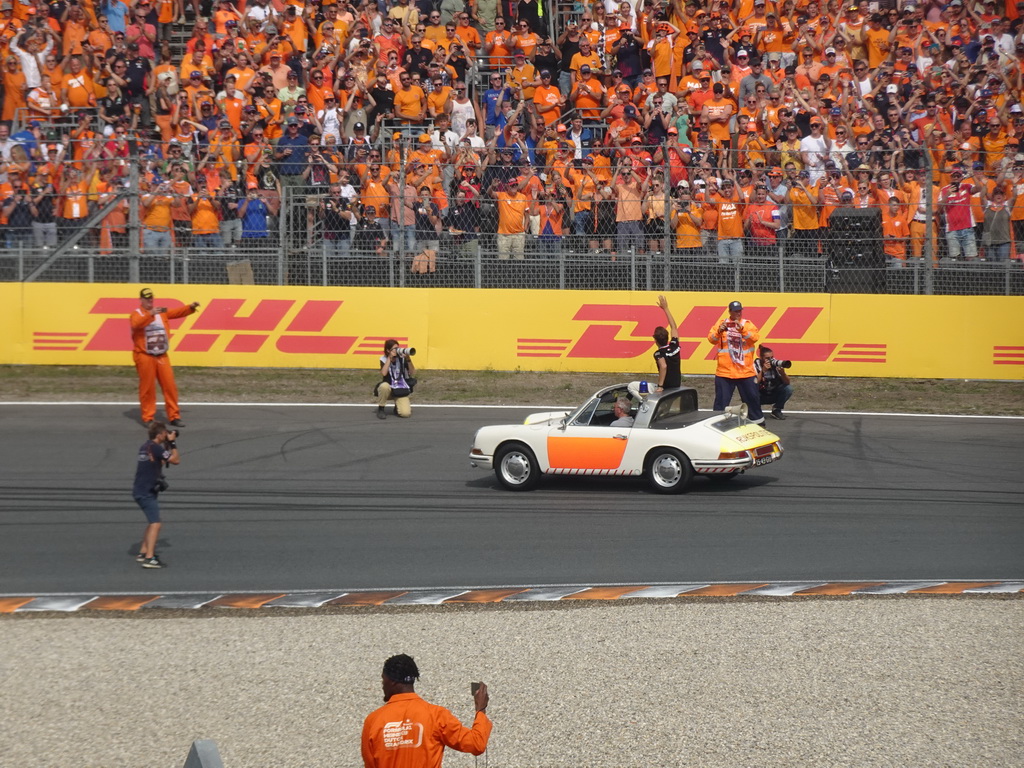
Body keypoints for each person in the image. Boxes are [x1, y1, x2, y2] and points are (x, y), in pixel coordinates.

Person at [361, 653, 491, 768]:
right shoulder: (435, 715)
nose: (382, 685)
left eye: (383, 680)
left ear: (392, 681)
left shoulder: (373, 721)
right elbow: (476, 744)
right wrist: (481, 709)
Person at [130, 288, 201, 428]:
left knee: (170, 386)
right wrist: (150, 314)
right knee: (147, 388)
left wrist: (190, 308)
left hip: (162, 355)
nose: (150, 300)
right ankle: (148, 417)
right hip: (145, 356)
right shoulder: (136, 314)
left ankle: (174, 416)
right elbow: (136, 324)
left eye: (151, 298)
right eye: (146, 298)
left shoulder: (160, 311)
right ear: (141, 300)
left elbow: (176, 312)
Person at [707, 300, 765, 425]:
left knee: (753, 401)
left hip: (745, 372)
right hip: (725, 372)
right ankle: (717, 426)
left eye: (740, 310)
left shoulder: (747, 324)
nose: (738, 313)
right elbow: (711, 339)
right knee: (721, 403)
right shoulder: (721, 323)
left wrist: (742, 330)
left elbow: (755, 338)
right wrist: (719, 331)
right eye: (735, 311)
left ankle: (759, 425)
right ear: (730, 312)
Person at [132, 421, 180, 569]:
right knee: (156, 524)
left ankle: (143, 552)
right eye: (165, 433)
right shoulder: (156, 449)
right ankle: (150, 558)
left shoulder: (145, 447)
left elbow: (159, 460)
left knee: (151, 522)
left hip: (141, 490)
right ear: (159, 435)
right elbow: (175, 460)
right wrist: (172, 444)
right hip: (146, 492)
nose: (167, 435)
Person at [376, 340, 417, 420]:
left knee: (405, 414)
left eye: (398, 348)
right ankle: (381, 408)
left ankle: (398, 406)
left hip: (400, 389)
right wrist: (389, 359)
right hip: (389, 389)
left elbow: (412, 372)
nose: (397, 350)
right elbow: (384, 373)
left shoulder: (402, 358)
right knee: (384, 386)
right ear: (388, 350)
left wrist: (408, 359)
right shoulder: (383, 359)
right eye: (395, 349)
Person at [755, 346, 793, 421]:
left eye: (772, 357)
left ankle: (777, 409)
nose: (770, 360)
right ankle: (755, 410)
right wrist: (763, 371)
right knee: (749, 390)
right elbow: (754, 382)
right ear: (761, 357)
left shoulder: (776, 364)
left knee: (788, 389)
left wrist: (783, 374)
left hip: (773, 393)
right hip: (759, 394)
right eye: (767, 358)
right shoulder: (755, 365)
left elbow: (787, 382)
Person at [652, 295, 680, 392]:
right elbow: (674, 327)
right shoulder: (674, 346)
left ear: (655, 340)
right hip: (677, 384)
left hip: (666, 387)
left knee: (633, 387)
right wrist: (666, 308)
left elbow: (663, 366)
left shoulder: (658, 353)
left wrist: (660, 386)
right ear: (668, 337)